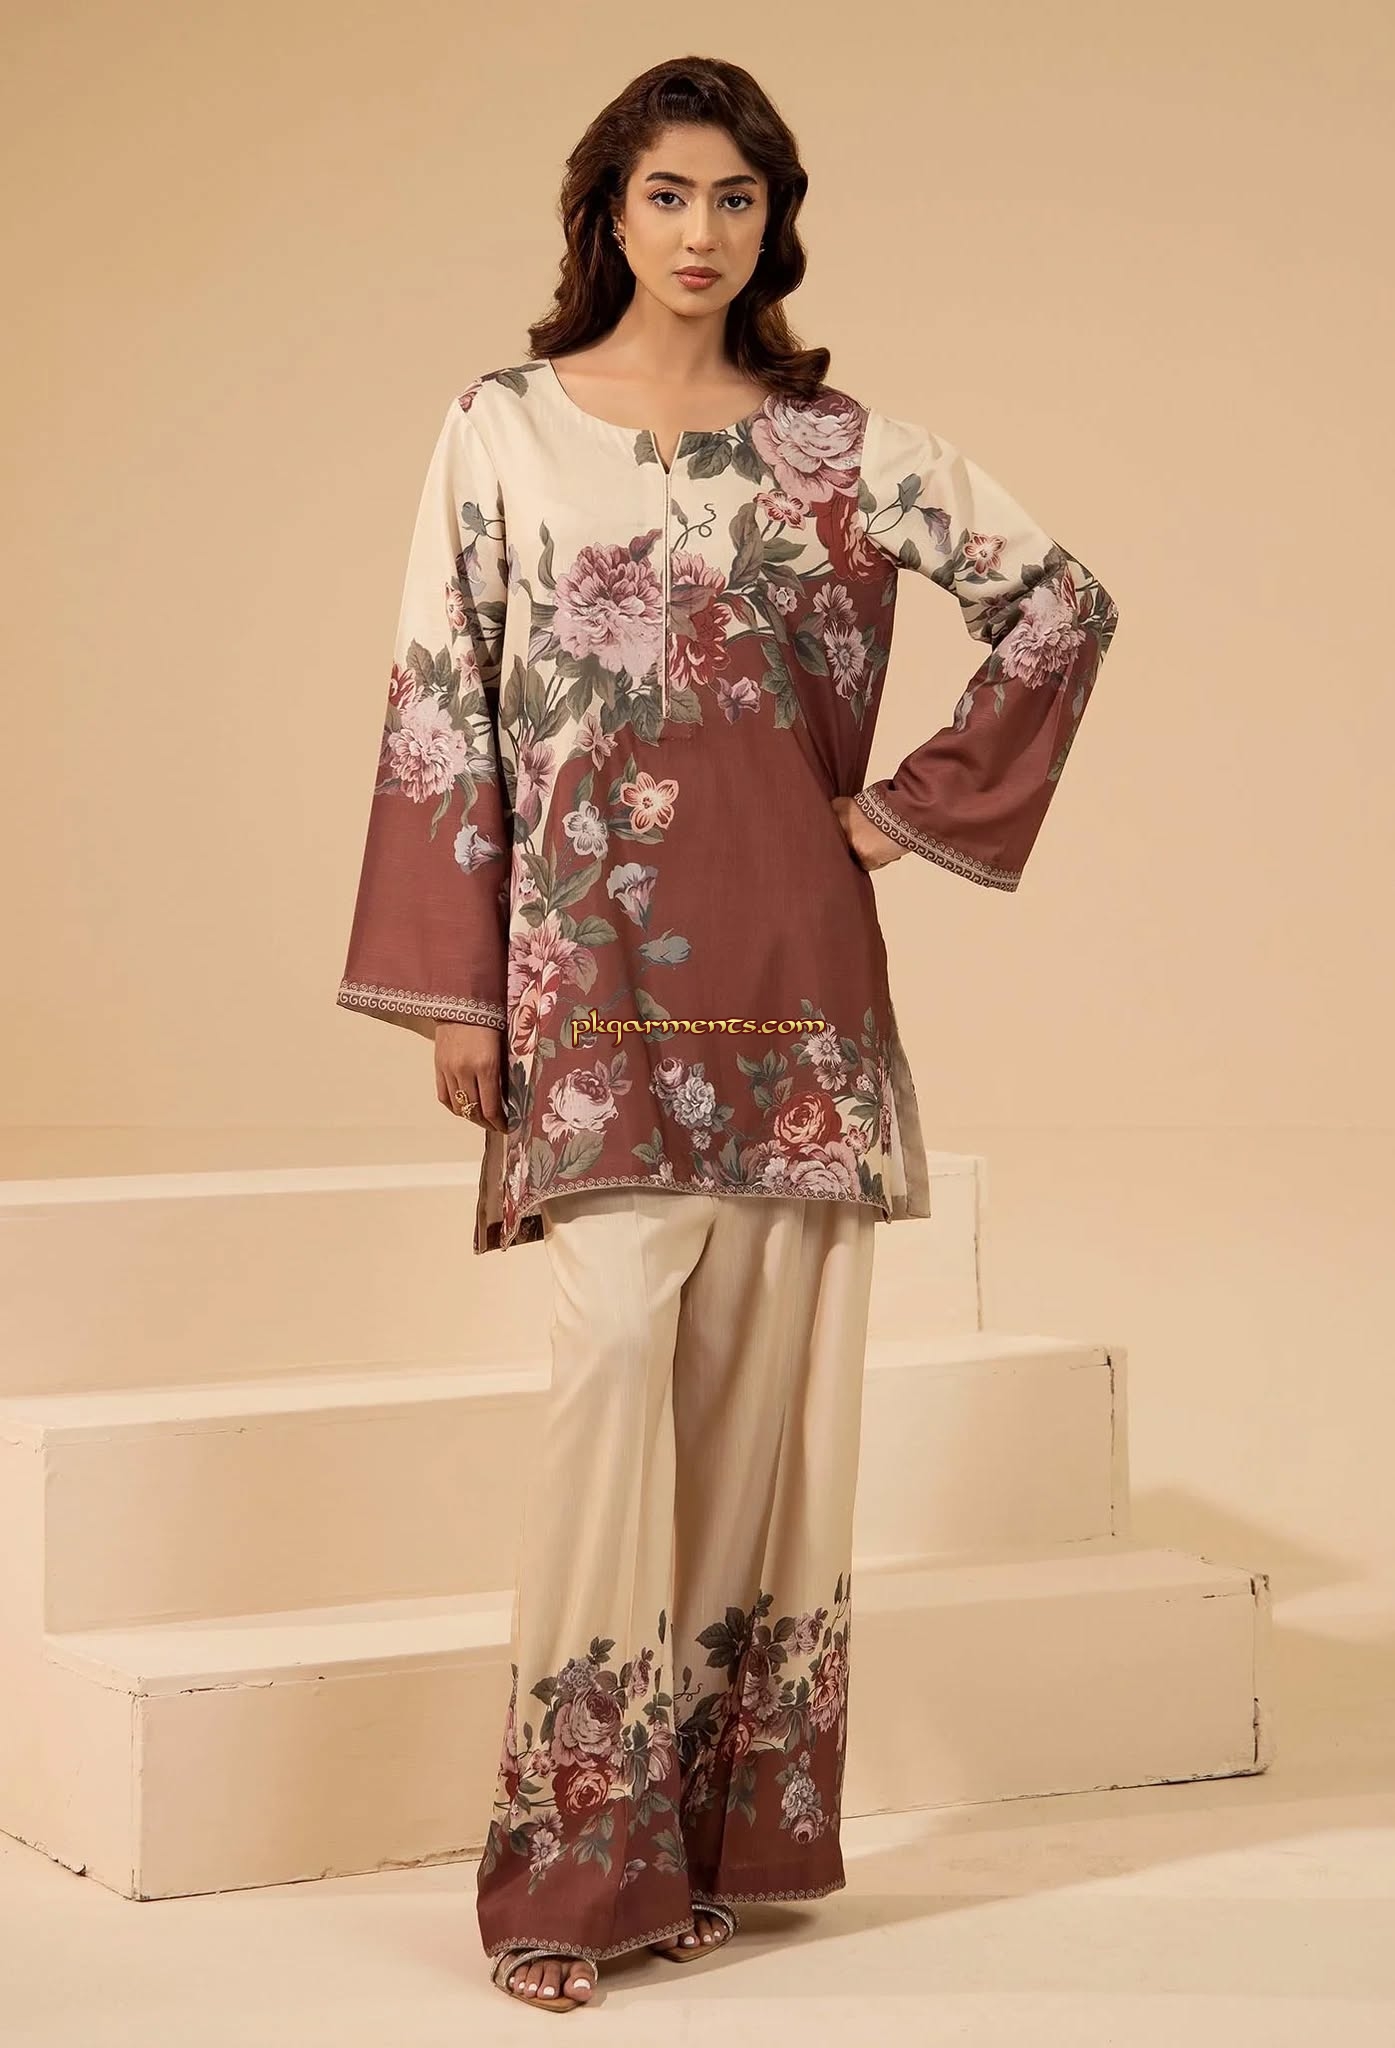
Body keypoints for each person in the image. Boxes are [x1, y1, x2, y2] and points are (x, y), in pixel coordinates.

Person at [336, 54, 1119, 2016]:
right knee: (610, 1367)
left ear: (775, 222)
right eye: (668, 195)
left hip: (792, 992)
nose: (701, 233)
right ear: (608, 211)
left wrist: (907, 810)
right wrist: (456, 989)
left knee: (753, 1430)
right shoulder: (502, 428)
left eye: (737, 199)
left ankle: (698, 1851)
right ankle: (568, 1874)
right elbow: (442, 693)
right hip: (586, 984)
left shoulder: (838, 451)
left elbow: (1057, 605)